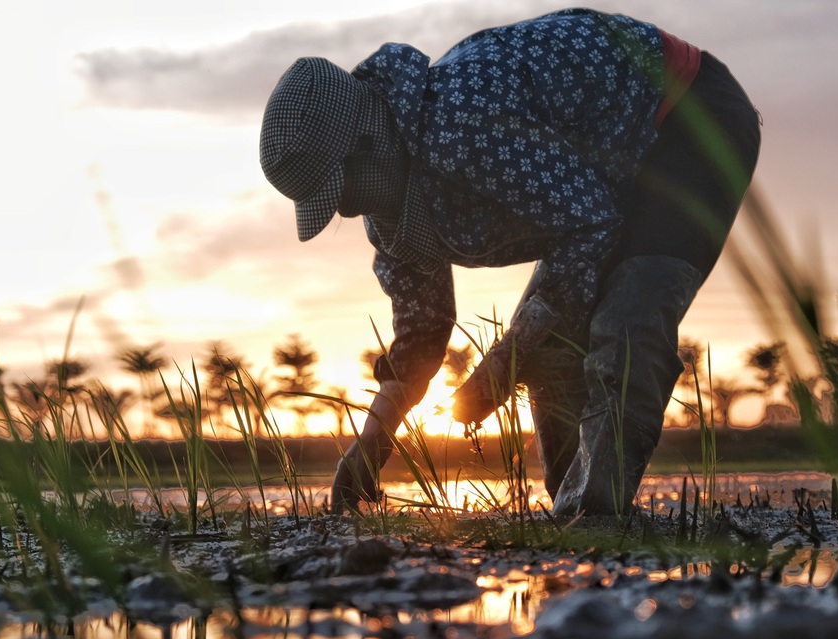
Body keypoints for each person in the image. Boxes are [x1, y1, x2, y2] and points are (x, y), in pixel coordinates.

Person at [259, 8, 760, 516]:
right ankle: (574, 507)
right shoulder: (392, 221)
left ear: (365, 144)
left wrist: (504, 363)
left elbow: (590, 223)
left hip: (685, 116)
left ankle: (598, 518)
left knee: (629, 312)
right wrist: (372, 441)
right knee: (548, 337)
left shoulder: (462, 120)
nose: (343, 209)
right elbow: (421, 333)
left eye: (336, 191)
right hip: (605, 178)